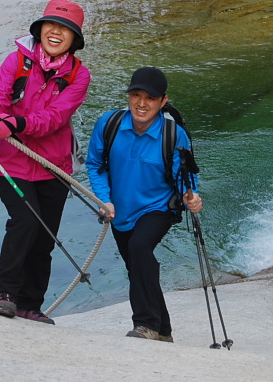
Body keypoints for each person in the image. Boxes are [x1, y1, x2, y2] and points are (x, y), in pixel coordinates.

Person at [0, 0, 91, 324]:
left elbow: (55, 118)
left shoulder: (79, 76)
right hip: (12, 164)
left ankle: (30, 305)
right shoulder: (16, 61)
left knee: (45, 238)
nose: (56, 32)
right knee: (26, 221)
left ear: (75, 39)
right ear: (40, 29)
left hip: (54, 169)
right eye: (51, 25)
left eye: (66, 29)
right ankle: (1, 293)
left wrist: (17, 124)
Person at [86, 66, 202, 343]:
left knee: (140, 249)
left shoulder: (174, 135)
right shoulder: (109, 124)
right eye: (136, 95)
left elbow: (186, 176)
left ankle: (145, 324)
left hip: (158, 207)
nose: (141, 103)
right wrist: (104, 198)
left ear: (163, 101)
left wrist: (191, 196)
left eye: (150, 98)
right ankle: (163, 331)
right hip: (119, 211)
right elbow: (94, 165)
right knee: (137, 268)